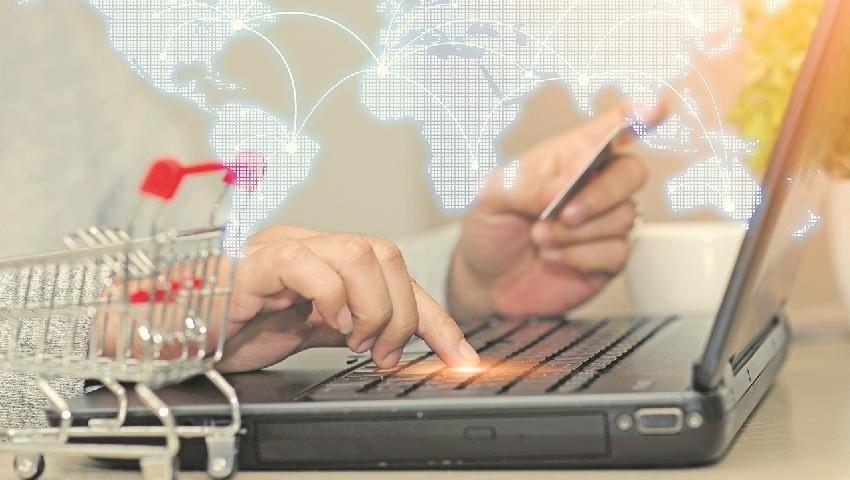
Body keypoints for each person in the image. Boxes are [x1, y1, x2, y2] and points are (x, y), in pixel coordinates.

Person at [0, 100, 661, 428]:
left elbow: (211, 271)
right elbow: (162, 300)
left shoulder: (60, 35)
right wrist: (115, 327)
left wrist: (465, 279)